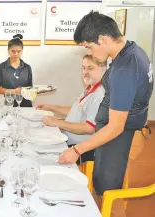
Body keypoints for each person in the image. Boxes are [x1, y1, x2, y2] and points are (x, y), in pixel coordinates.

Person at [58, 11, 154, 217]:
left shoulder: (125, 69)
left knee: (107, 193)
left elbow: (116, 126)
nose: (90, 52)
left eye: (89, 47)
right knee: (99, 189)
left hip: (114, 137)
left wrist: (77, 150)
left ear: (103, 39)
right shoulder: (132, 51)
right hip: (113, 134)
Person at [36, 55, 106, 164]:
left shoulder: (99, 95)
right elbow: (76, 111)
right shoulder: (90, 87)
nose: (85, 72)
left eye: (90, 68)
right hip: (68, 139)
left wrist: (57, 123)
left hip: (79, 149)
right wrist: (51, 107)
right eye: (83, 68)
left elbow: (89, 128)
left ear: (103, 69)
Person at [0, 34, 33, 107]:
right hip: (9, 104)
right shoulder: (1, 67)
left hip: (26, 105)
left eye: (19, 51)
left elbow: (30, 89)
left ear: (22, 51)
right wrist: (14, 91)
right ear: (8, 51)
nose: (16, 54)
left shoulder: (27, 68)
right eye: (13, 51)